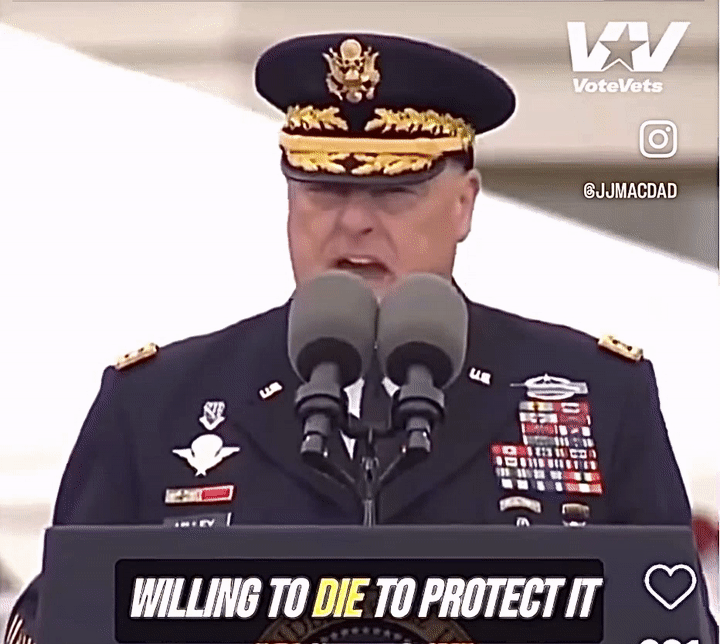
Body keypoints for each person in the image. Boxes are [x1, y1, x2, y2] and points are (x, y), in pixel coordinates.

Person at [4, 32, 716, 643]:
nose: (354, 224)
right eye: (323, 191)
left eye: (394, 192)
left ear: (464, 205)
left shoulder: (595, 393)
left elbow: (671, 621)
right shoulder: (159, 402)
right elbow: (62, 616)